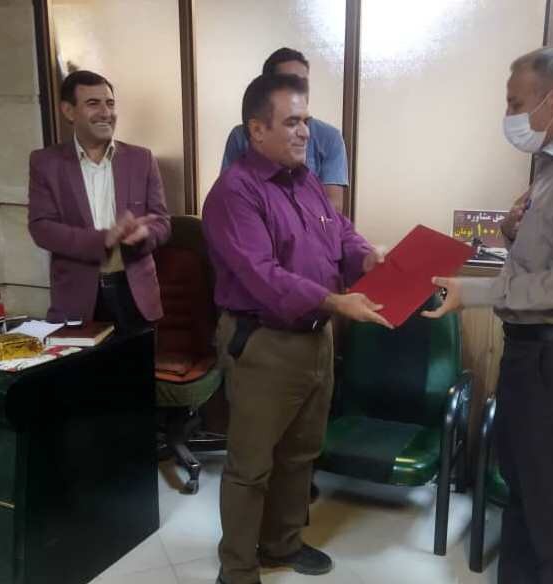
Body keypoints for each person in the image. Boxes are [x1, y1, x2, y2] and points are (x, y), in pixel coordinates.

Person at [424, 46, 553, 584]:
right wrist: (512, 233)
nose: (510, 115)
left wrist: (475, 293)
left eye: (516, 103)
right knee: (522, 487)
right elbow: (548, 261)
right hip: (531, 351)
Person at [202, 73, 390, 584]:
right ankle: (237, 569)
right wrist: (334, 300)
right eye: (291, 122)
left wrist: (369, 259)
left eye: (305, 120)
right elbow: (262, 275)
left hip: (315, 338)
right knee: (250, 466)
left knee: (300, 454)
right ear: (256, 129)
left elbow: (342, 236)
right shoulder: (234, 193)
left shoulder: (305, 181)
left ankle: (281, 545)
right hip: (264, 343)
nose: (305, 131)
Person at [28, 70, 170, 332]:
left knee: (137, 360)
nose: (106, 113)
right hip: (77, 300)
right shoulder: (46, 163)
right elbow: (41, 228)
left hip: (136, 297)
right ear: (68, 111)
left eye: (110, 103)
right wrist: (102, 240)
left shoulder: (141, 159)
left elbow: (162, 222)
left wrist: (144, 234)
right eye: (93, 104)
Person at [221, 47, 349, 212]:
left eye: (303, 83)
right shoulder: (240, 138)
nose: (304, 133)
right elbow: (230, 199)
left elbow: (334, 210)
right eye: (290, 82)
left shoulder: (329, 139)